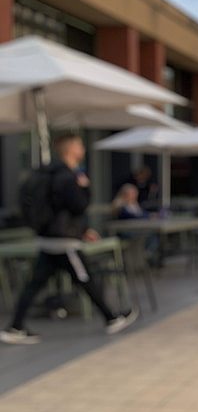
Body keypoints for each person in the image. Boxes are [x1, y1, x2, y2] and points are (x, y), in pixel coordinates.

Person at [1, 133, 138, 345]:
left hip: (47, 238)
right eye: (80, 145)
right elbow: (78, 206)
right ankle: (112, 317)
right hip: (63, 241)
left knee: (35, 285)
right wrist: (84, 186)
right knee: (85, 278)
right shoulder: (67, 176)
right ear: (71, 149)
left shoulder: (45, 174)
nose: (83, 149)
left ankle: (15, 326)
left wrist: (82, 230)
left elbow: (58, 209)